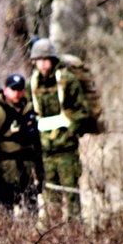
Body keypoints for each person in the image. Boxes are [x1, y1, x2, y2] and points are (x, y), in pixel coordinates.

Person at [28, 38, 90, 221]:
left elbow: (82, 110)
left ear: (53, 60)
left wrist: (72, 128)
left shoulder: (67, 81)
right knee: (50, 196)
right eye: (39, 60)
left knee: (71, 193)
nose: (43, 64)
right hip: (45, 151)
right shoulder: (32, 84)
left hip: (66, 150)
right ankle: (53, 239)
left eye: (46, 59)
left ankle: (76, 235)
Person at [0, 74, 41, 216]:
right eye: (13, 89)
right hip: (5, 175)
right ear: (5, 90)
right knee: (6, 217)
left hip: (27, 174)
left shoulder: (30, 113)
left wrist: (40, 171)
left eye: (20, 89)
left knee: (32, 215)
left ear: (24, 91)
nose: (17, 93)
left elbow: (37, 145)